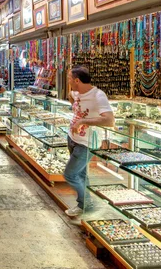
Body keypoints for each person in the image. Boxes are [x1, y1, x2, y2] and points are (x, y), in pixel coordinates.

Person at [64, 66, 114, 217]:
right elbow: (71, 95)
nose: (68, 82)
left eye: (69, 79)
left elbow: (109, 120)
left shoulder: (98, 96)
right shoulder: (77, 92)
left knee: (70, 175)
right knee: (81, 175)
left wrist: (83, 121)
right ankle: (83, 204)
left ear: (77, 80)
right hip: (73, 139)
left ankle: (88, 203)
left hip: (86, 143)